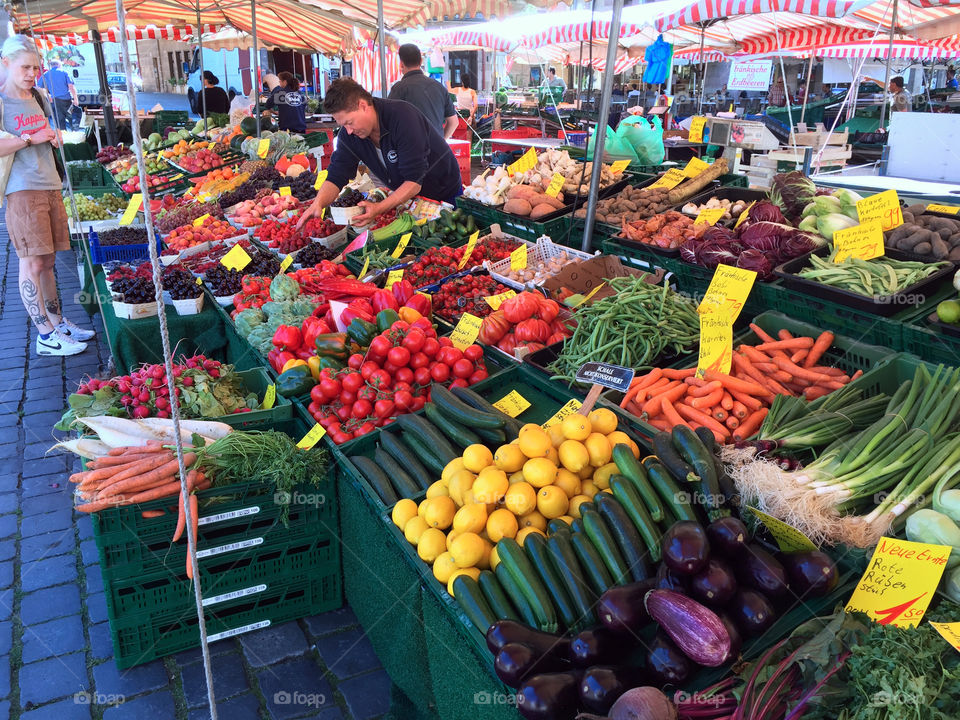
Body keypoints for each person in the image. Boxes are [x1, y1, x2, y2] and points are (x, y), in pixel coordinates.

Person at [0, 36, 94, 356]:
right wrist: (31, 138)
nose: (32, 73)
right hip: (22, 189)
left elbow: (46, 131)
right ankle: (44, 335)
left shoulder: (39, 95)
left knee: (50, 260)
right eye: (25, 67)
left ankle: (58, 323)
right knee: (32, 262)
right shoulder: (2, 102)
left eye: (36, 67)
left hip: (49, 183)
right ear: (5, 64)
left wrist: (52, 136)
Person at [296, 78, 462, 231]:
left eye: (349, 122)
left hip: (443, 192)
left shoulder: (403, 117)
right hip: (409, 200)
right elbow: (336, 175)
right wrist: (318, 204)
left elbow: (413, 182)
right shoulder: (349, 135)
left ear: (363, 105)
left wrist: (379, 208)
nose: (348, 130)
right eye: (343, 125)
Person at [388, 44, 458, 138]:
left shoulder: (398, 88)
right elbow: (453, 122)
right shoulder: (439, 87)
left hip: (410, 149)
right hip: (437, 151)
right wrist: (441, 142)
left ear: (401, 64)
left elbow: (389, 123)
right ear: (421, 61)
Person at [37, 58, 78, 130]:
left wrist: (47, 96)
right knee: (72, 118)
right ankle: (75, 133)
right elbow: (71, 87)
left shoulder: (46, 74)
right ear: (59, 65)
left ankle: (63, 136)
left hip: (55, 101)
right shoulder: (64, 72)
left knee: (59, 122)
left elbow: (38, 88)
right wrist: (75, 99)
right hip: (67, 101)